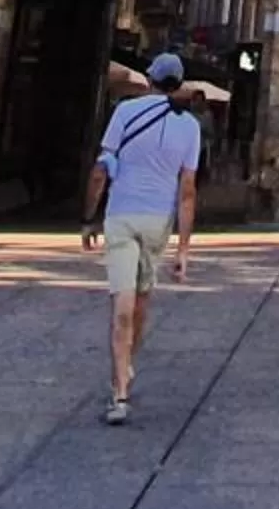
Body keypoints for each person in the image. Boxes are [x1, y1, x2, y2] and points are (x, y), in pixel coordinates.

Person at [80, 50, 201, 424]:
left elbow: (101, 170)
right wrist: (183, 248)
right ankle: (125, 371)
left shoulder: (124, 112)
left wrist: (88, 218)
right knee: (140, 303)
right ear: (178, 84)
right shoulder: (190, 126)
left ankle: (120, 393)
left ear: (148, 80)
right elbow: (187, 190)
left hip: (121, 215)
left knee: (123, 304)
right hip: (157, 222)